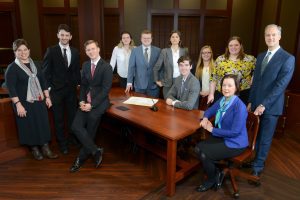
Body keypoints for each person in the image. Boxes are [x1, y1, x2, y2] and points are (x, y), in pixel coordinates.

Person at [248, 24, 295, 179]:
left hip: (271, 107)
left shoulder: (288, 58)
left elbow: (280, 86)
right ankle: (253, 160)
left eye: (274, 35)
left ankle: (258, 166)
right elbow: (256, 83)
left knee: (265, 138)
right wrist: (251, 101)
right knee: (255, 135)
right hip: (255, 104)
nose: (270, 37)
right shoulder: (261, 56)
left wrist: (264, 105)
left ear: (280, 36)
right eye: (268, 35)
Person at [5, 39, 58, 160]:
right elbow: (11, 89)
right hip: (24, 103)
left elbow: (43, 81)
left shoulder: (36, 65)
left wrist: (47, 97)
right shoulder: (12, 68)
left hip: (39, 100)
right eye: (19, 50)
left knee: (42, 123)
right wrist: (18, 105)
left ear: (29, 50)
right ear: (15, 52)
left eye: (25, 49)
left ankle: (46, 148)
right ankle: (34, 149)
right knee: (29, 125)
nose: (23, 52)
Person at [194, 74, 248, 192]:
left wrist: (212, 130)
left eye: (230, 85)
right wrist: (205, 118)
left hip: (235, 142)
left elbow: (235, 132)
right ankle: (216, 172)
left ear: (236, 88)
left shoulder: (240, 106)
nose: (226, 88)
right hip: (222, 136)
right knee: (198, 149)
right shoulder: (223, 100)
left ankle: (211, 179)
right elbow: (209, 111)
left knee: (203, 153)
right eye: (224, 85)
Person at [70, 40, 113, 173]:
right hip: (85, 102)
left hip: (99, 103)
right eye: (88, 50)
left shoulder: (106, 67)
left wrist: (91, 105)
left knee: (90, 131)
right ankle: (95, 150)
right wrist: (82, 100)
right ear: (86, 52)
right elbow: (83, 86)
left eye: (93, 48)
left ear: (98, 49)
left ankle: (79, 160)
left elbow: (105, 90)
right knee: (75, 127)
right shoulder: (85, 65)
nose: (91, 51)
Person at [42, 24, 81, 155]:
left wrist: (78, 85)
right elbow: (45, 73)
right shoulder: (51, 50)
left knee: (72, 117)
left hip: (71, 91)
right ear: (58, 35)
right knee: (58, 119)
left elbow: (76, 71)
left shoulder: (75, 51)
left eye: (67, 35)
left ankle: (71, 139)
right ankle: (62, 144)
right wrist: (48, 91)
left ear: (70, 37)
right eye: (62, 35)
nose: (64, 37)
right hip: (56, 92)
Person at [208, 36, 256, 105]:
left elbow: (259, 71)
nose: (233, 47)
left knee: (238, 115)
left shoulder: (250, 59)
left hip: (242, 95)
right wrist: (211, 94)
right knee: (220, 114)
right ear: (227, 47)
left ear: (241, 46)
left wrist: (254, 77)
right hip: (222, 94)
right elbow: (213, 78)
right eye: (231, 45)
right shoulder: (220, 59)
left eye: (236, 45)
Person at [125, 29, 161, 97]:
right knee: (139, 107)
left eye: (148, 38)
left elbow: (161, 67)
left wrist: (160, 80)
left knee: (153, 106)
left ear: (151, 39)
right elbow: (131, 67)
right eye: (144, 38)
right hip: (139, 85)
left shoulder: (158, 51)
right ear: (141, 39)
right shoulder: (135, 51)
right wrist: (129, 82)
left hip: (154, 85)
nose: (146, 40)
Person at [153, 30, 188, 98]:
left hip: (181, 82)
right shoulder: (164, 51)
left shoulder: (184, 51)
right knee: (167, 105)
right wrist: (156, 80)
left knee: (179, 105)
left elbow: (188, 67)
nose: (175, 39)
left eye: (177, 37)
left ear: (179, 39)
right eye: (173, 37)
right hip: (167, 83)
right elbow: (156, 67)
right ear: (170, 39)